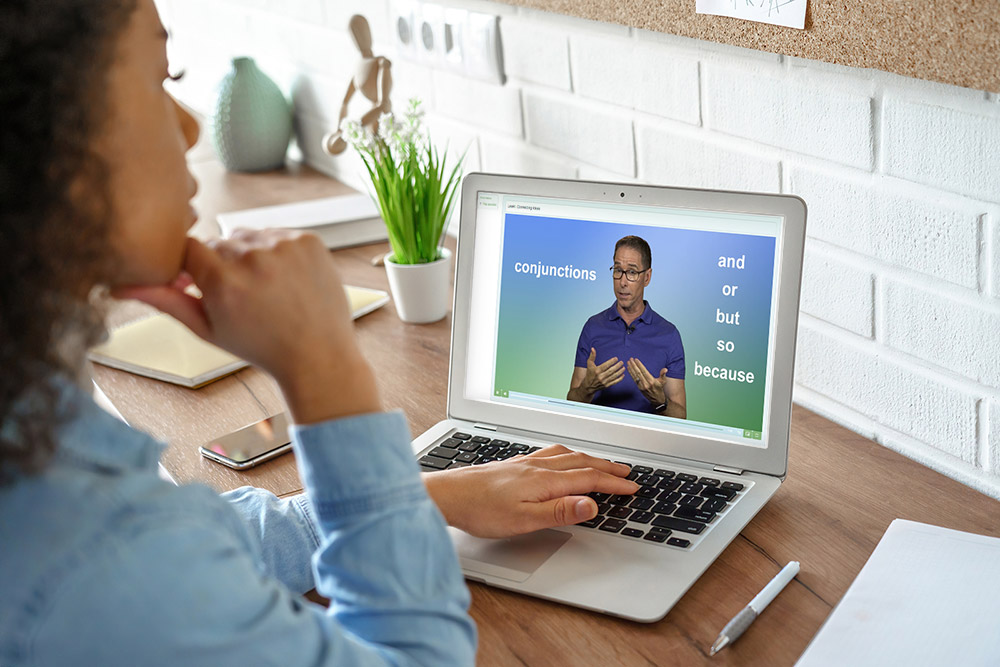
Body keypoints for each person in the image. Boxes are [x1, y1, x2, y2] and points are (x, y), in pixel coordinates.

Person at [0, 1, 637, 663]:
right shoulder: (85, 563)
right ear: (40, 137)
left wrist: (425, 493)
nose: (189, 128)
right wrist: (322, 368)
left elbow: (188, 541)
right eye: (163, 78)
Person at [567, 235, 687, 419]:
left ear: (647, 277)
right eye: (617, 270)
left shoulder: (669, 335)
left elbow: (680, 416)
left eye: (632, 272)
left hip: (646, 442)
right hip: (596, 437)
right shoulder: (593, 326)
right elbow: (571, 402)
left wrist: (660, 401)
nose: (622, 282)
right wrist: (587, 388)